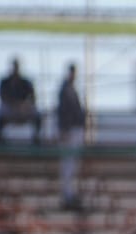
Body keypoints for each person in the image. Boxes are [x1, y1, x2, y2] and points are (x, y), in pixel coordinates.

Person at [56, 63, 87, 210]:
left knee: (72, 164)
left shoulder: (70, 89)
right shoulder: (65, 90)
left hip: (73, 129)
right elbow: (63, 112)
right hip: (69, 130)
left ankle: (70, 194)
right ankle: (67, 195)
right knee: (68, 165)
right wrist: (64, 130)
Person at [0, 58, 43, 144]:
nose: (15, 68)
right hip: (10, 108)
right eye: (14, 66)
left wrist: (24, 105)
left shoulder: (25, 82)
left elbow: (33, 97)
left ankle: (36, 138)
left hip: (23, 109)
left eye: (17, 66)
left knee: (37, 114)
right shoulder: (5, 82)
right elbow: (2, 96)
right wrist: (13, 104)